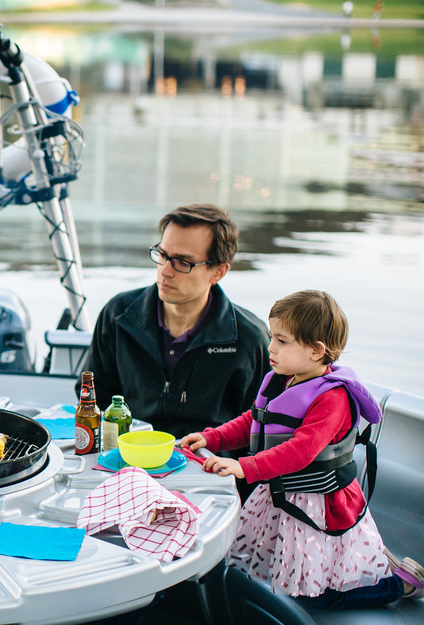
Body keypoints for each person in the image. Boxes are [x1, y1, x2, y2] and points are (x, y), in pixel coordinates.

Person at [181, 290, 424, 608]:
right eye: (272, 337)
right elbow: (253, 421)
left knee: (321, 596)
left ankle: (401, 587)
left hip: (318, 506)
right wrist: (212, 438)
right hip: (281, 495)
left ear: (315, 351)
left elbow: (301, 450)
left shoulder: (332, 399)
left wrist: (246, 467)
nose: (270, 347)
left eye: (282, 341)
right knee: (260, 569)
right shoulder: (282, 379)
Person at [81, 204, 270, 438]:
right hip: (127, 459)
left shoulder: (250, 340)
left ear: (218, 272)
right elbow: (93, 400)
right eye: (162, 254)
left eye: (183, 262)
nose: (165, 271)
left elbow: (260, 429)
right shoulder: (118, 315)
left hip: (209, 468)